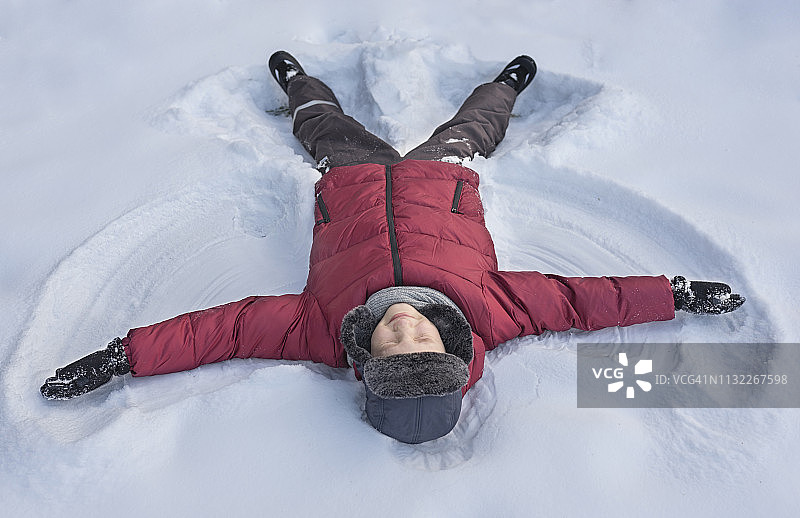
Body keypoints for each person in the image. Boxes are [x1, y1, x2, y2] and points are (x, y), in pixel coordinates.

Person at [40, 51, 745, 443]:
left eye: (391, 349)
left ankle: (296, 83)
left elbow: (218, 331)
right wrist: (675, 293)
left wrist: (123, 356)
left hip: (349, 180)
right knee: (475, 125)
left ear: (366, 358)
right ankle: (505, 85)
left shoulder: (317, 327)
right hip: (442, 178)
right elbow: (587, 300)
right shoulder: (495, 310)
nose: (404, 328)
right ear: (450, 349)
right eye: (423, 348)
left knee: (320, 124)